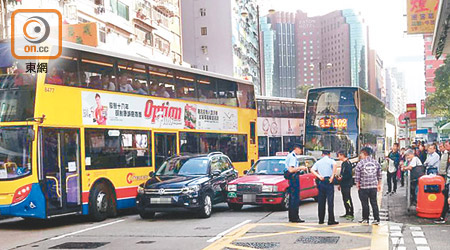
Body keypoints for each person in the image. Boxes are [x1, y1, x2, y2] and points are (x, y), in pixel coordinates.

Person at [355, 147, 382, 225]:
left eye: (361, 154)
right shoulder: (376, 162)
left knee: (365, 203)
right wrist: (379, 184)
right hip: (373, 186)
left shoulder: (360, 163)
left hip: (363, 187)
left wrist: (358, 184)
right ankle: (376, 219)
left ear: (364, 153)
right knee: (374, 202)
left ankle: (365, 218)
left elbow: (357, 176)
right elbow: (379, 175)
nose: (360, 155)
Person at [311, 150, 338, 225]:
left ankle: (321, 220)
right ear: (329, 154)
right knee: (330, 202)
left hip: (321, 181)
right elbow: (335, 168)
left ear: (322, 154)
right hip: (329, 181)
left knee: (321, 202)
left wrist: (319, 176)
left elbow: (312, 169)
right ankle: (331, 220)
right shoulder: (332, 161)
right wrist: (332, 177)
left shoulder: (318, 162)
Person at [284, 144, 307, 223]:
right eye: (300, 149)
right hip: (293, 179)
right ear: (296, 149)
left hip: (292, 178)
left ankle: (292, 217)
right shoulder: (292, 157)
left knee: (292, 198)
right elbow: (291, 170)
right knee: (295, 198)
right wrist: (301, 168)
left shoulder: (291, 156)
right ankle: (295, 217)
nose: (301, 151)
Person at [435, 140, 450, 224]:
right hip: (446, 177)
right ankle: (442, 216)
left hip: (447, 176)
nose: (445, 147)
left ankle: (442, 217)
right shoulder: (446, 154)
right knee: (446, 197)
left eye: (447, 145)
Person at [337, 150, 354, 220]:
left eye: (338, 155)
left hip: (347, 184)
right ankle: (347, 212)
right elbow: (342, 173)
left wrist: (342, 178)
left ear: (342, 155)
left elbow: (349, 174)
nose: (338, 157)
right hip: (343, 184)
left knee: (347, 198)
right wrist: (340, 184)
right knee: (344, 198)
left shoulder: (347, 163)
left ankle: (350, 212)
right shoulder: (343, 163)